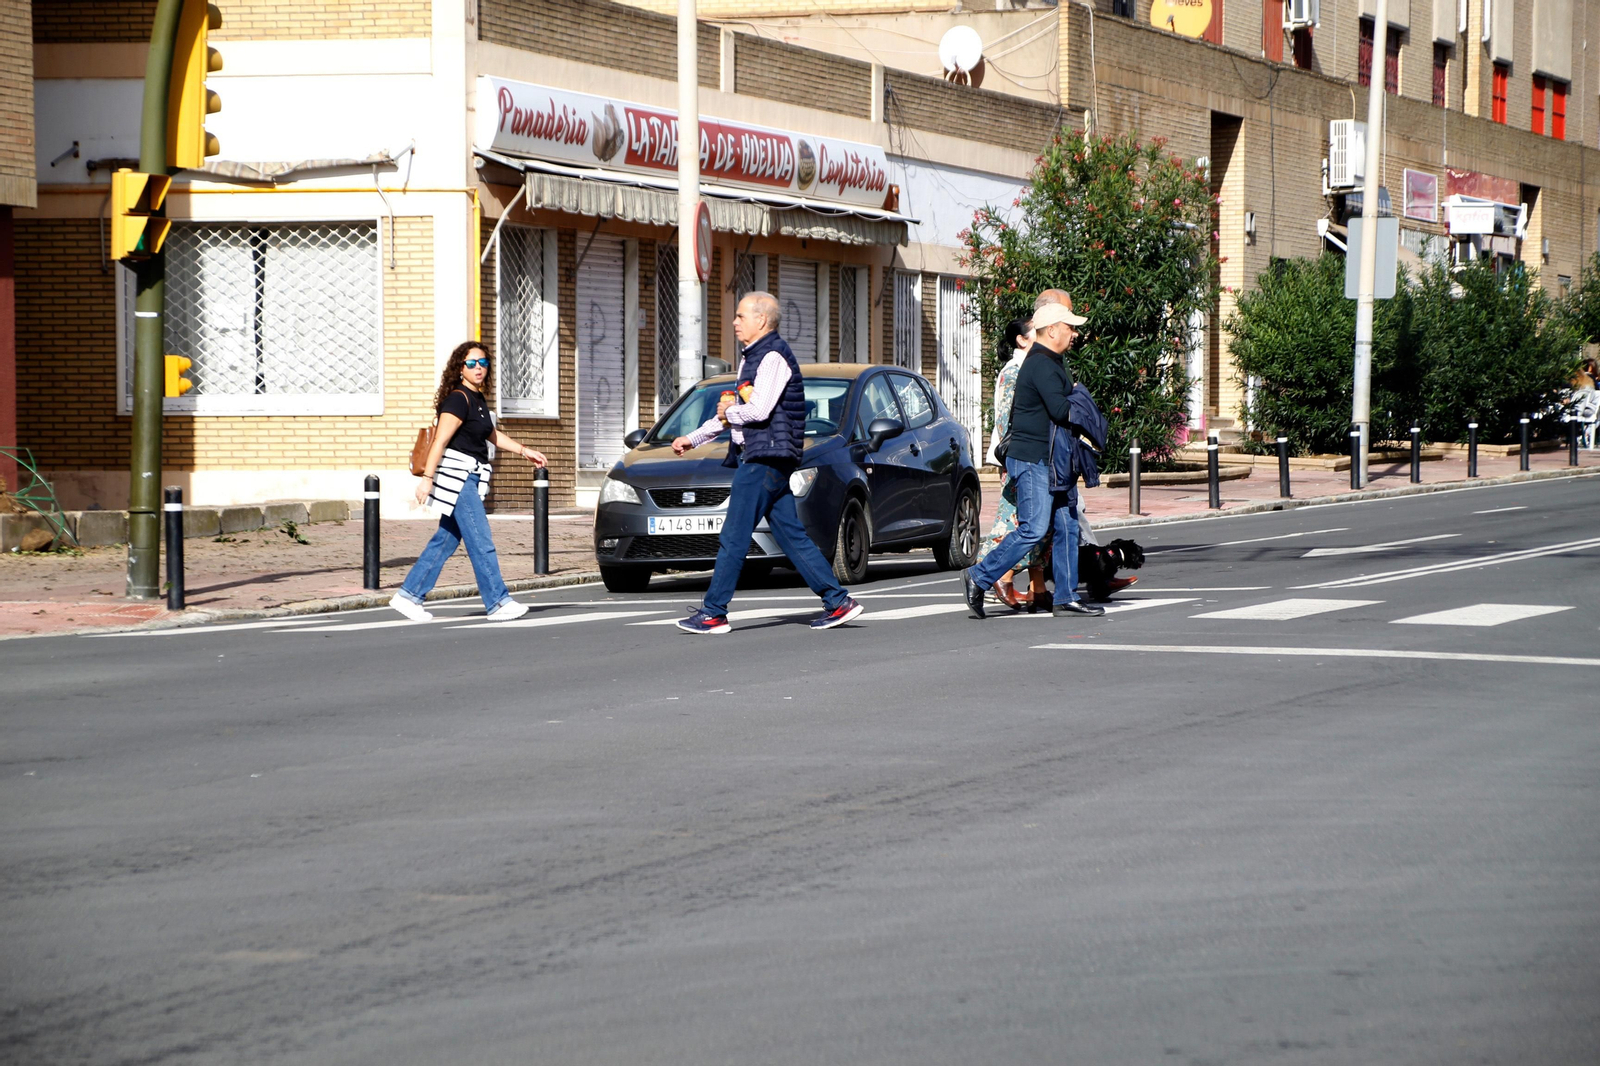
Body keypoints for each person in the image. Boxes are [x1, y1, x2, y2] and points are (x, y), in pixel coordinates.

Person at [670, 292, 864, 634]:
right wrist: (694, 437)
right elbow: (734, 413)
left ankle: (714, 612)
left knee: (734, 534)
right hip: (763, 456)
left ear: (761, 320)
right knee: (791, 536)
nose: (734, 322)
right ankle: (837, 601)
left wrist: (728, 412)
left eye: (741, 316)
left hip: (764, 458)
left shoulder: (772, 356)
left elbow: (757, 411)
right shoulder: (752, 358)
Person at [961, 295, 1105, 619]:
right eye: (1070, 327)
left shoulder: (1053, 361)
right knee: (1033, 528)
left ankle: (1065, 597)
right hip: (1032, 459)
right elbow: (1061, 409)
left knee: (1067, 525)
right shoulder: (1040, 363)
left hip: (1054, 460)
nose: (1075, 333)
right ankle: (979, 576)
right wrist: (1084, 403)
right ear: (1052, 330)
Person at [390, 341, 548, 623]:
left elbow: (492, 435)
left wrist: (525, 451)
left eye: (483, 363)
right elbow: (440, 440)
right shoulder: (458, 399)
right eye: (472, 363)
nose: (479, 368)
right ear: (460, 368)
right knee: (480, 539)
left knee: (446, 540)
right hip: (457, 477)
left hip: (471, 475)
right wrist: (427, 479)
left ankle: (409, 595)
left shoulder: (477, 400)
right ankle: (497, 602)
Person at [980, 317, 1049, 610]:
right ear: (1022, 340)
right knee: (1021, 522)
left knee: (1034, 520)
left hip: (1032, 455)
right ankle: (1001, 574)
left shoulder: (1032, 366)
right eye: (1036, 331)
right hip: (1020, 457)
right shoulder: (1013, 371)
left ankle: (1038, 588)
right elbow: (1005, 418)